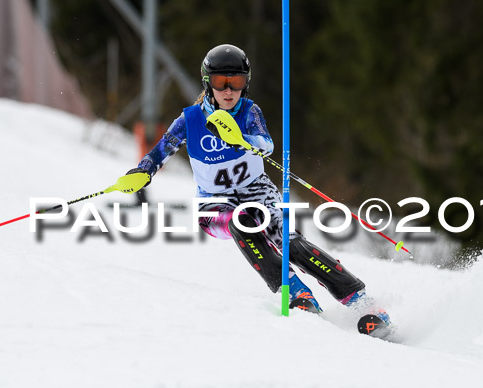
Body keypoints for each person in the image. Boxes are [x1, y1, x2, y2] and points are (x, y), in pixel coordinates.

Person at [125, 44, 390, 325]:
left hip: (257, 190)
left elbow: (266, 144)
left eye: (236, 83)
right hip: (213, 202)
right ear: (208, 83)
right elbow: (163, 148)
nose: (229, 91)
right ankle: (296, 292)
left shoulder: (249, 111)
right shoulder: (190, 119)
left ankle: (363, 303)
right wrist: (143, 171)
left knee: (292, 243)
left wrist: (242, 139)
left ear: (245, 84)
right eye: (220, 83)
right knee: (242, 223)